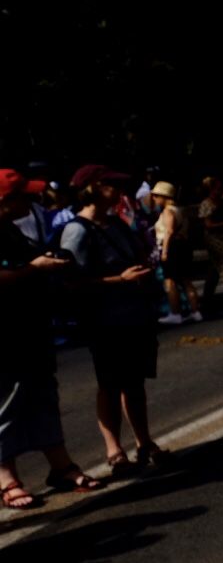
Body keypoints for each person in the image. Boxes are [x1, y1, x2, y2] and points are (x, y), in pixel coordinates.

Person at [1, 169, 105, 509]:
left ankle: (61, 466)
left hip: (31, 327)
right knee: (7, 402)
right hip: (6, 336)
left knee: (43, 394)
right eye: (24, 196)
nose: (32, 202)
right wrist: (35, 269)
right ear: (5, 201)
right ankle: (5, 477)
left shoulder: (12, 229)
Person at [60, 167, 167, 474]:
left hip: (134, 316)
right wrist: (119, 280)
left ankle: (144, 442)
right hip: (105, 320)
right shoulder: (77, 230)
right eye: (112, 185)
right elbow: (71, 282)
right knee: (109, 384)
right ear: (93, 188)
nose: (120, 190)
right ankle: (114, 450)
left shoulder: (116, 223)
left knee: (134, 383)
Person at [150, 180, 201, 324]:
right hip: (183, 246)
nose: (154, 199)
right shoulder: (180, 210)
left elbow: (169, 231)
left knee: (170, 281)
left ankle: (175, 312)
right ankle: (195, 310)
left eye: (156, 196)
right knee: (186, 281)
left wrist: (164, 251)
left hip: (172, 247)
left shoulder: (168, 211)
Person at [196, 176, 223, 310]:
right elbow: (208, 225)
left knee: (214, 270)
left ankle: (206, 301)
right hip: (215, 239)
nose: (220, 191)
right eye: (217, 189)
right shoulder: (207, 204)